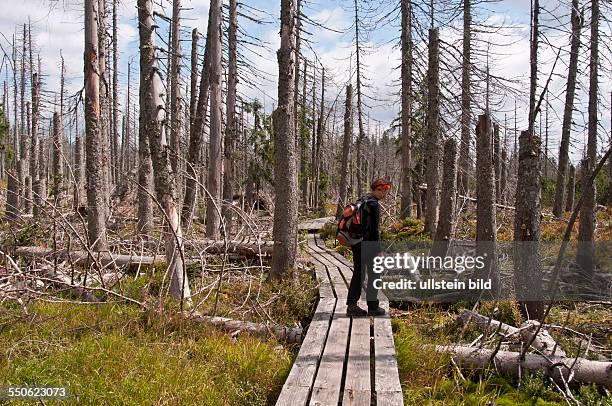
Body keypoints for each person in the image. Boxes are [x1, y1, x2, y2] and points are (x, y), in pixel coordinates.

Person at [346, 178, 391, 317]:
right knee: (374, 274)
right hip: (369, 244)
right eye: (380, 190)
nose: (383, 193)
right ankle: (373, 307)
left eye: (385, 191)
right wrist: (378, 251)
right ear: (374, 190)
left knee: (359, 273)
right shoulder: (374, 205)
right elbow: (375, 230)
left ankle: (352, 306)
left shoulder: (363, 199)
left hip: (357, 242)